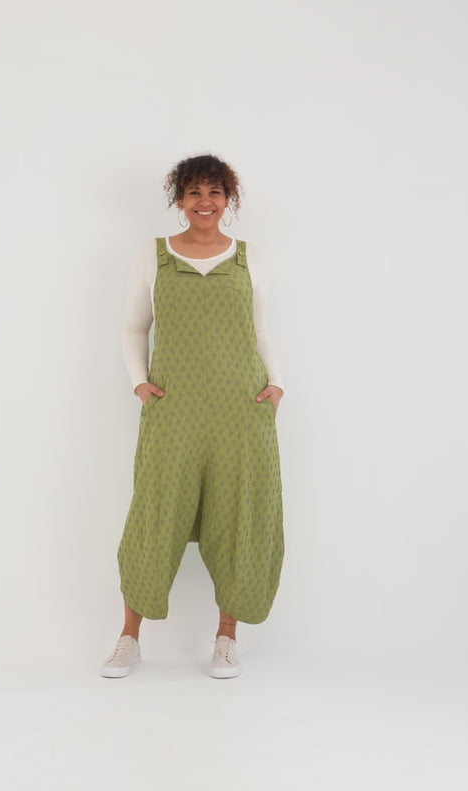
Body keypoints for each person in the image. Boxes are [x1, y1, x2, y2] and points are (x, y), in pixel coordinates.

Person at [101, 154, 284, 679]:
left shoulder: (249, 257)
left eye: (215, 192)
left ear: (229, 199)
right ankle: (129, 639)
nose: (205, 202)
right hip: (173, 410)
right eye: (194, 192)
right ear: (179, 200)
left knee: (238, 515)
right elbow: (134, 326)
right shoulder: (154, 254)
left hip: (241, 410)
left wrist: (276, 384)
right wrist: (139, 382)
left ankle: (227, 638)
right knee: (154, 516)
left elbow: (261, 329)